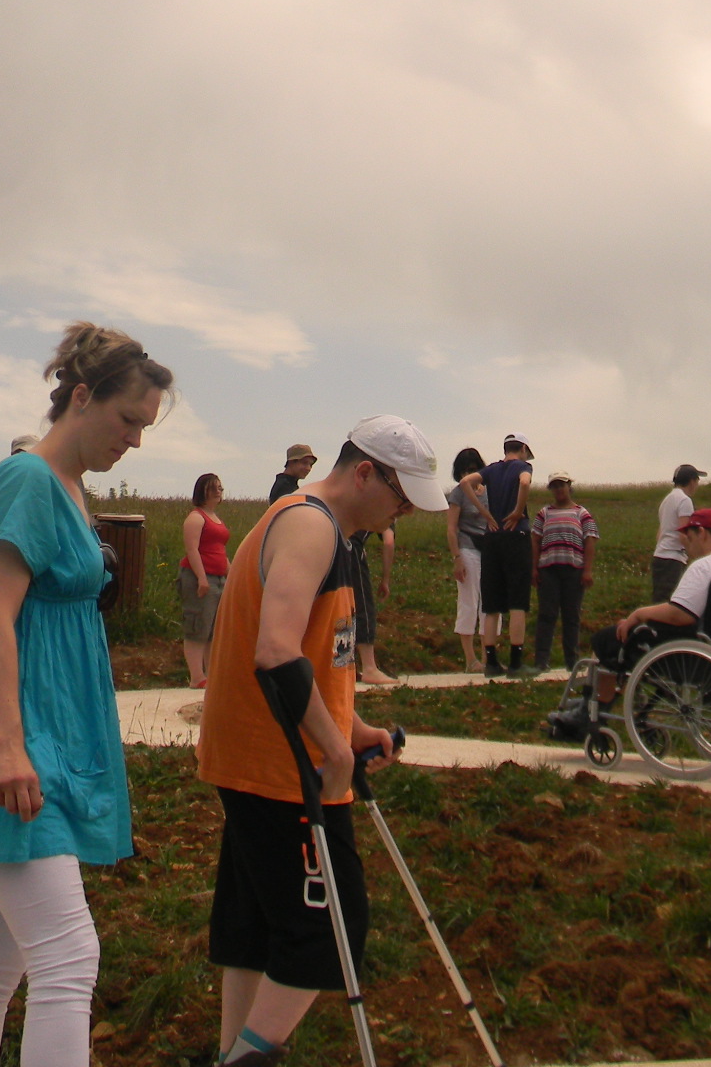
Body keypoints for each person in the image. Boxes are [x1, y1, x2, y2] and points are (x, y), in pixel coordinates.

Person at [0, 323, 171, 1067]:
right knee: (68, 957)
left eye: (145, 427)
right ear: (82, 397)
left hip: (50, 729)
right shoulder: (26, 479)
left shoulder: (68, 485)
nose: (134, 440)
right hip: (21, 736)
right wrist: (7, 749)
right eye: (128, 420)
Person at [196, 416, 441, 1065]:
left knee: (256, 930)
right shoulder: (309, 526)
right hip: (282, 767)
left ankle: (232, 1053)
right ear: (365, 472)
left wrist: (352, 730)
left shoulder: (328, 531)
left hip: (266, 758)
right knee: (328, 928)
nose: (405, 513)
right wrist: (333, 751)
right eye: (401, 497)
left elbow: (314, 654)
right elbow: (276, 652)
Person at [585, 509, 711, 703]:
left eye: (689, 536)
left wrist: (638, 615)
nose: (685, 543)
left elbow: (679, 614)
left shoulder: (704, 566)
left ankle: (595, 707)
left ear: (701, 533)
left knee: (607, 639)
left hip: (688, 655)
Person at [476, 434, 535, 678]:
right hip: (515, 535)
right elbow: (525, 483)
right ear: (523, 448)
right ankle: (516, 662)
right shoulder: (523, 466)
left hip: (492, 537)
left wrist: (485, 513)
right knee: (518, 601)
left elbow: (466, 483)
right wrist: (518, 511)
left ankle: (491, 662)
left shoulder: (491, 469)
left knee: (492, 604)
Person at [530, 474, 599, 670]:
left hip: (574, 570)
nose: (559, 489)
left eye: (562, 485)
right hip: (548, 570)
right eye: (555, 486)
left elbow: (590, 541)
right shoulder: (544, 513)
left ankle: (572, 661)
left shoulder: (581, 513)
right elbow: (535, 541)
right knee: (546, 615)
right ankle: (541, 661)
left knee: (571, 617)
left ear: (569, 486)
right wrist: (533, 568)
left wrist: (587, 570)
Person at [444, 448, 493, 672]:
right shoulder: (458, 494)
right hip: (467, 548)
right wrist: (457, 558)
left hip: (489, 550)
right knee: (469, 602)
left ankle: (487, 657)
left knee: (489, 605)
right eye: (464, 470)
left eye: (472, 469)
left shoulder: (489, 492)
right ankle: (470, 659)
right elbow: (451, 528)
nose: (468, 474)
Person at [182, 474, 232, 688]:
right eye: (214, 488)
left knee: (213, 629)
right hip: (200, 578)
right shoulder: (196, 517)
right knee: (198, 627)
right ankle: (197, 676)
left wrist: (232, 575)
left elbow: (220, 550)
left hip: (219, 578)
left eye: (220, 488)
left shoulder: (216, 518)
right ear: (203, 491)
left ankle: (211, 674)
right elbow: (192, 549)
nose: (218, 491)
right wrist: (202, 578)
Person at [347, 527, 398, 685]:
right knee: (362, 602)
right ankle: (369, 667)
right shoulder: (389, 512)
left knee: (341, 604)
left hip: (329, 541)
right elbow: (388, 542)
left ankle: (346, 666)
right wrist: (385, 580)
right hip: (351, 546)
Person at [650, 464, 704, 602]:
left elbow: (660, 533)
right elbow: (684, 534)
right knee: (672, 601)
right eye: (697, 480)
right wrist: (695, 555)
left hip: (660, 556)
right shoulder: (685, 500)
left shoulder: (667, 500)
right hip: (673, 559)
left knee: (659, 599)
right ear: (692, 481)